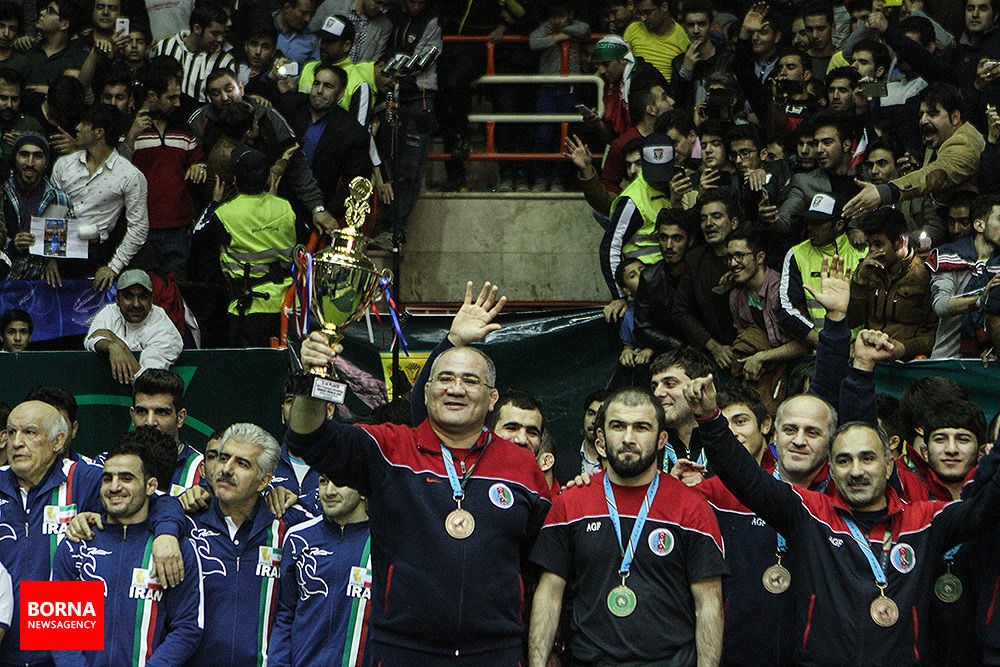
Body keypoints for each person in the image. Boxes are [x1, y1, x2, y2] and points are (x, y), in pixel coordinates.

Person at [286, 280, 551, 663]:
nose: (456, 389)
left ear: (492, 398)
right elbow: (308, 438)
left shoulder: (521, 465)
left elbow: (539, 555)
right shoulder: (388, 449)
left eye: (470, 380)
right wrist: (313, 376)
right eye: (444, 379)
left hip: (496, 652)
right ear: (425, 392)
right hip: (403, 650)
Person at [685, 369, 1000, 664]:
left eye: (868, 458)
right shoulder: (811, 515)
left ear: (889, 466)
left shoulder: (925, 522)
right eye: (844, 461)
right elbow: (746, 478)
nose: (857, 471)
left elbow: (987, 507)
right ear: (832, 470)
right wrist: (710, 419)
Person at [527, 386, 726, 665]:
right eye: (618, 426)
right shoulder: (570, 503)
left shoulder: (692, 507)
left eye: (642, 427)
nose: (628, 438)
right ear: (600, 439)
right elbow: (548, 595)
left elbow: (708, 605)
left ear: (661, 439)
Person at [0, 400, 185, 666]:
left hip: (62, 654)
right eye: (11, 432)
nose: (17, 442)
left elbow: (158, 500)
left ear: (58, 441)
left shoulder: (84, 478)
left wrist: (166, 533)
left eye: (29, 432)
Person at [51, 427, 204, 667]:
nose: (114, 487)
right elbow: (58, 628)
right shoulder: (76, 541)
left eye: (126, 478)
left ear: (151, 486)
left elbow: (187, 627)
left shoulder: (175, 548)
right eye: (107, 478)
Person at [183, 423, 309, 667]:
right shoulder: (183, 522)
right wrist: (173, 508)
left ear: (264, 481)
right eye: (223, 458)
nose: (226, 469)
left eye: (242, 463)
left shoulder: (291, 528)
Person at [188, 68, 337, 232]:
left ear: (241, 88)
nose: (224, 97)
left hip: (268, 213)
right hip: (223, 218)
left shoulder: (267, 116)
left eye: (229, 89)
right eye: (216, 93)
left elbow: (298, 167)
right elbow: (188, 164)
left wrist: (317, 208)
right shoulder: (200, 121)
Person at [195, 147, 295, 347]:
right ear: (267, 180)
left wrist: (214, 203)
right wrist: (273, 200)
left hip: (249, 309)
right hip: (286, 304)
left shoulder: (225, 214)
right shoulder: (285, 207)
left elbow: (198, 235)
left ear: (234, 180)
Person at [843, 84, 985, 220]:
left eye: (932, 114)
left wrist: (885, 192)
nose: (923, 120)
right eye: (921, 114)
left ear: (955, 117)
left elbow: (937, 174)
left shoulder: (965, 143)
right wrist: (919, 168)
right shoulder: (938, 139)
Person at [270, 476, 371, 666]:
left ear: (363, 491)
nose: (329, 491)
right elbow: (285, 616)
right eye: (324, 481)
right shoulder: (298, 537)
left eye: (340, 481)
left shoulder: (385, 546)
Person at [50, 103, 149, 290]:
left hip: (96, 255)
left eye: (84, 123)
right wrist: (49, 258)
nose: (77, 128)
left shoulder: (129, 175)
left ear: (99, 132)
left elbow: (139, 227)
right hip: (60, 250)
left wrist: (114, 266)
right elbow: (52, 212)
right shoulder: (64, 165)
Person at [127, 56, 206, 280]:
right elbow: (115, 168)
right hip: (141, 229)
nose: (178, 103)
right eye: (171, 97)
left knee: (176, 290)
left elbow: (199, 161)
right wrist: (131, 136)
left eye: (178, 96)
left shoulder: (184, 130)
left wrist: (199, 167)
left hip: (178, 229)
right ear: (152, 96)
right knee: (142, 287)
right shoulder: (130, 129)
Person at [276, 63, 372, 218]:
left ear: (340, 93)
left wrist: (328, 214)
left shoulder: (352, 131)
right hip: (277, 194)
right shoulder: (293, 106)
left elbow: (355, 181)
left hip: (316, 206)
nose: (319, 90)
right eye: (316, 83)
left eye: (328, 86)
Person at [726, 227, 807, 408]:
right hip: (764, 372)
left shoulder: (781, 291)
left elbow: (804, 344)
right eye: (729, 257)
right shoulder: (736, 297)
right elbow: (745, 338)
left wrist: (762, 357)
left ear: (760, 257)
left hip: (797, 368)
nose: (733, 263)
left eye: (739, 256)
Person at [779, 193, 867, 347]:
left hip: (861, 348)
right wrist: (824, 344)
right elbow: (786, 308)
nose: (810, 227)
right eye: (809, 221)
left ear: (839, 225)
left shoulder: (862, 251)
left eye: (818, 223)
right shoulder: (797, 255)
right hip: (820, 349)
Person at [601, 132, 676, 313]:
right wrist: (619, 296)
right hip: (645, 286)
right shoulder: (633, 200)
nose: (659, 179)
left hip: (670, 280)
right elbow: (610, 246)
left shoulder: (675, 186)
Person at [848, 208, 937, 360]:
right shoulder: (867, 271)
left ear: (900, 242)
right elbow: (851, 321)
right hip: (871, 356)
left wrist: (904, 349)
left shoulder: (924, 274)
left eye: (878, 244)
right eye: (870, 245)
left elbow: (935, 333)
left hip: (908, 361)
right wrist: (860, 281)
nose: (872, 251)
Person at [925, 194, 1000, 358]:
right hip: (949, 358)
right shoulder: (949, 256)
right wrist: (982, 296)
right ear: (979, 225)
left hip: (987, 361)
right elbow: (940, 306)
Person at [673, 189, 739, 369]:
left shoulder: (748, 257)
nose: (708, 223)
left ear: (733, 223)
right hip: (713, 356)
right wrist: (713, 347)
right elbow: (680, 311)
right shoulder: (694, 260)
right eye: (703, 219)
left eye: (716, 216)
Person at [85, 269, 184, 383]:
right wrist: (111, 346)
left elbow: (146, 382)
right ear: (117, 299)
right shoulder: (110, 312)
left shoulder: (164, 329)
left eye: (142, 297)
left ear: (151, 300)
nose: (136, 304)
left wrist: (119, 345)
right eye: (128, 297)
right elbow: (90, 341)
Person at [131, 369, 205, 496]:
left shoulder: (202, 472)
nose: (150, 422)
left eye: (161, 412)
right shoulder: (110, 465)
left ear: (180, 418)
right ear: (133, 416)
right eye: (142, 411)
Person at [633, 208, 692, 355]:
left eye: (677, 238)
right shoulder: (649, 278)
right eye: (663, 238)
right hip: (669, 351)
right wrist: (677, 345)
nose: (669, 246)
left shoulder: (699, 273)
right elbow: (642, 328)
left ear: (690, 241)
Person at [151, 1, 236, 103]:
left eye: (222, 34)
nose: (220, 39)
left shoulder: (225, 61)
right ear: (197, 29)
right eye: (215, 33)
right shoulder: (165, 47)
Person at [624, 0, 690, 83]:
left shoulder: (683, 38)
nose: (643, 18)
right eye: (640, 13)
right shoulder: (633, 29)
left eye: (647, 12)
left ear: (664, 7)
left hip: (666, 88)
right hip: (635, 87)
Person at [0, 68, 44, 183]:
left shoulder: (31, 127)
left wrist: (26, 144)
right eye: (3, 98)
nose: (9, 105)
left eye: (14, 99)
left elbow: (43, 168)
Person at [274, 0, 316, 65]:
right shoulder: (264, 25)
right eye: (303, 13)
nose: (307, 19)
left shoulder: (312, 38)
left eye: (311, 14)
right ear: (287, 8)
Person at [578, 389, 608, 475]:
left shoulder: (620, 462)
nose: (594, 421)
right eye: (591, 414)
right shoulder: (562, 461)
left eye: (600, 416)